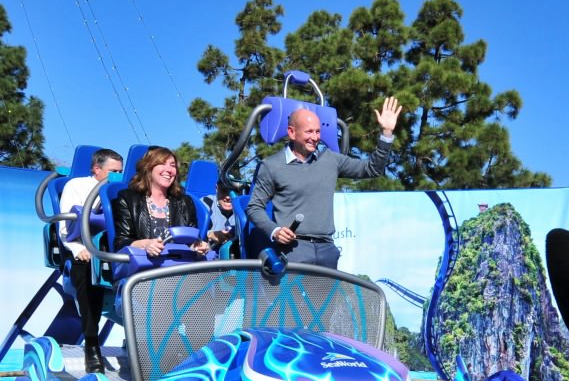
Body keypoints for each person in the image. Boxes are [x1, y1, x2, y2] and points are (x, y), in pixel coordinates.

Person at [245, 97, 402, 269]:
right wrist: (275, 231)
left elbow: (372, 169)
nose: (315, 137)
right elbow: (254, 207)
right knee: (293, 297)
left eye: (318, 132)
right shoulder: (271, 165)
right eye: (309, 132)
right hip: (293, 251)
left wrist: (386, 134)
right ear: (291, 132)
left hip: (327, 250)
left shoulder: (330, 159)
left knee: (328, 297)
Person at [59, 148, 123, 373]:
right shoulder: (76, 186)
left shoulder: (119, 190)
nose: (117, 177)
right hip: (84, 247)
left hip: (114, 246)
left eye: (120, 173)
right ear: (97, 169)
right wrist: (78, 249)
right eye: (113, 172)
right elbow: (65, 226)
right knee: (88, 271)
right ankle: (92, 344)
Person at [112, 146, 208, 258]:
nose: (169, 170)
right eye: (162, 163)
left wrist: (198, 246)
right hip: (143, 267)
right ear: (148, 167)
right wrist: (146, 244)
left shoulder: (184, 202)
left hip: (179, 267)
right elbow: (120, 242)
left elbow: (193, 238)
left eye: (172, 165)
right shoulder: (127, 198)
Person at [202, 182, 238, 256]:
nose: (228, 197)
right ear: (217, 188)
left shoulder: (244, 209)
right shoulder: (206, 203)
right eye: (224, 191)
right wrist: (211, 234)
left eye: (233, 191)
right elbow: (195, 230)